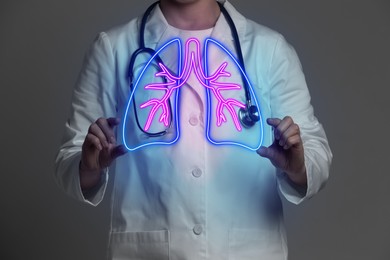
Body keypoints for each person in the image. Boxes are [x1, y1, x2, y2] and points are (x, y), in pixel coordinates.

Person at [55, 0, 332, 259]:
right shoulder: (113, 48)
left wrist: (297, 166)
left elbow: (316, 155)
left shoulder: (269, 50)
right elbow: (70, 160)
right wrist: (89, 167)